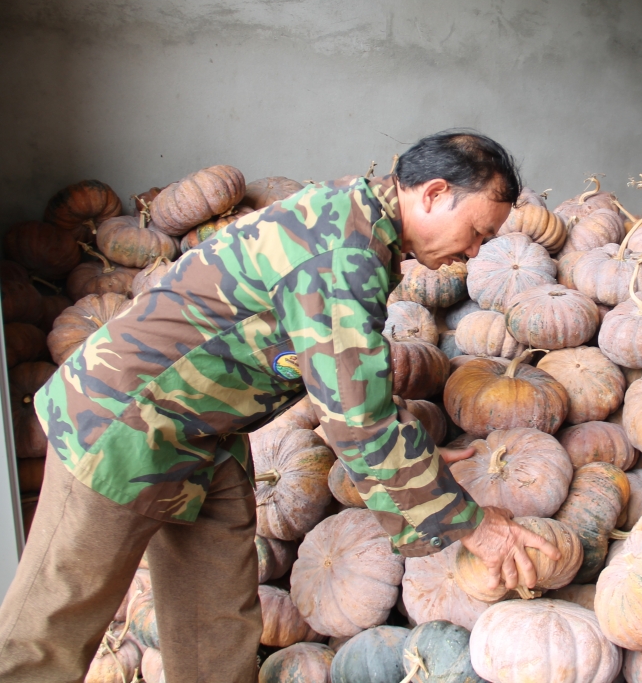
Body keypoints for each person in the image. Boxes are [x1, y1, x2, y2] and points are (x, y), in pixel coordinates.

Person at [0, 131, 560, 683]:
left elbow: (347, 380)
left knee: (214, 618)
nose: (474, 252)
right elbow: (359, 421)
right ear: (434, 194)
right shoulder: (344, 252)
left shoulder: (355, 218)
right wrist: (473, 525)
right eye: (478, 232)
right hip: (123, 423)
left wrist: (425, 465)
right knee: (54, 624)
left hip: (201, 435)